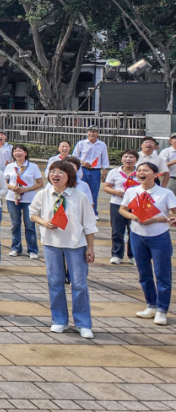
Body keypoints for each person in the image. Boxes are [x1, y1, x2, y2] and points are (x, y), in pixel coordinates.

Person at [30, 160, 97, 338]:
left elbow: (89, 224)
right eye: (52, 171)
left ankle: (83, 323)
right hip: (52, 244)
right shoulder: (44, 194)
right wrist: (44, 222)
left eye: (60, 172)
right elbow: (33, 213)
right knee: (55, 282)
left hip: (76, 245)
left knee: (79, 284)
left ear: (69, 177)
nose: (55, 175)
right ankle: (59, 320)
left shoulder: (80, 196)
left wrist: (90, 247)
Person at [118, 161, 174, 326]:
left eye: (146, 170)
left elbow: (174, 214)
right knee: (144, 274)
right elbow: (123, 209)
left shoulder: (165, 193)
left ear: (155, 175)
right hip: (137, 236)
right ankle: (151, 305)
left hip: (159, 237)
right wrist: (131, 216)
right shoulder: (132, 191)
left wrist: (156, 219)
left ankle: (162, 310)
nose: (141, 173)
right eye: (139, 170)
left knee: (162, 274)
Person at [103, 149, 141, 265]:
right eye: (125, 157)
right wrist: (116, 192)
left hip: (135, 205)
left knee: (134, 230)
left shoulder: (140, 172)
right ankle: (117, 254)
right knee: (117, 230)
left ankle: (133, 255)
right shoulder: (114, 172)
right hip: (117, 203)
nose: (128, 159)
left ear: (136, 160)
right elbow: (106, 187)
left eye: (131, 157)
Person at [6, 145, 43, 259]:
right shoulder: (9, 166)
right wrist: (12, 187)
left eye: (20, 151)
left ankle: (32, 250)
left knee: (30, 224)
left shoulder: (33, 166)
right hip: (12, 198)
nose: (17, 153)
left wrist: (27, 189)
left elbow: (40, 183)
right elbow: (4, 182)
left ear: (25, 153)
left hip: (29, 199)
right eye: (15, 151)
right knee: (15, 224)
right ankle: (15, 248)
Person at [72, 126, 109, 210]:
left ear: (98, 133)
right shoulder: (81, 143)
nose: (92, 134)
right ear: (87, 133)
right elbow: (74, 157)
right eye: (90, 131)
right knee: (80, 190)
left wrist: (105, 171)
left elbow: (104, 158)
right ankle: (80, 209)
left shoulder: (102, 144)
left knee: (94, 192)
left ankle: (93, 212)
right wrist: (83, 162)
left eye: (94, 132)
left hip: (95, 171)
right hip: (83, 170)